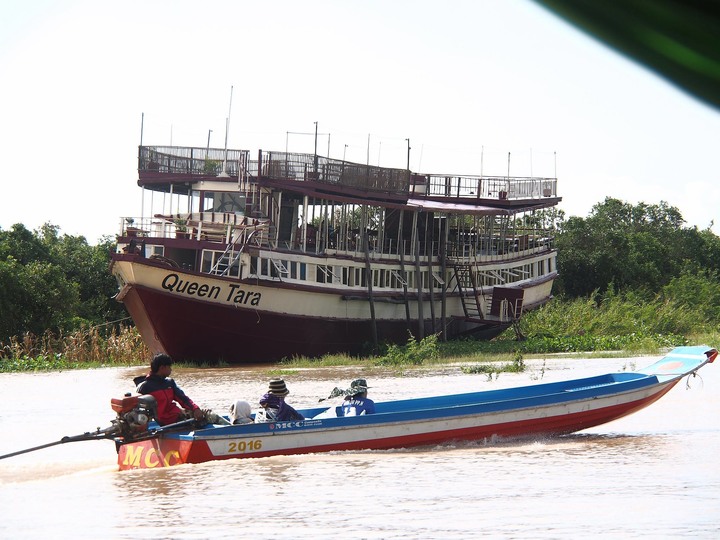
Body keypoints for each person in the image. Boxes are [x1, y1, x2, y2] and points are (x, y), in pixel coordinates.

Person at [133, 353, 205, 426]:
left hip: (177, 418)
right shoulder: (144, 387)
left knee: (207, 417)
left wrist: (195, 408)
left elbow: (183, 399)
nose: (171, 369)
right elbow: (136, 409)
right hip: (160, 423)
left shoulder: (169, 383)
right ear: (162, 368)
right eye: (169, 367)